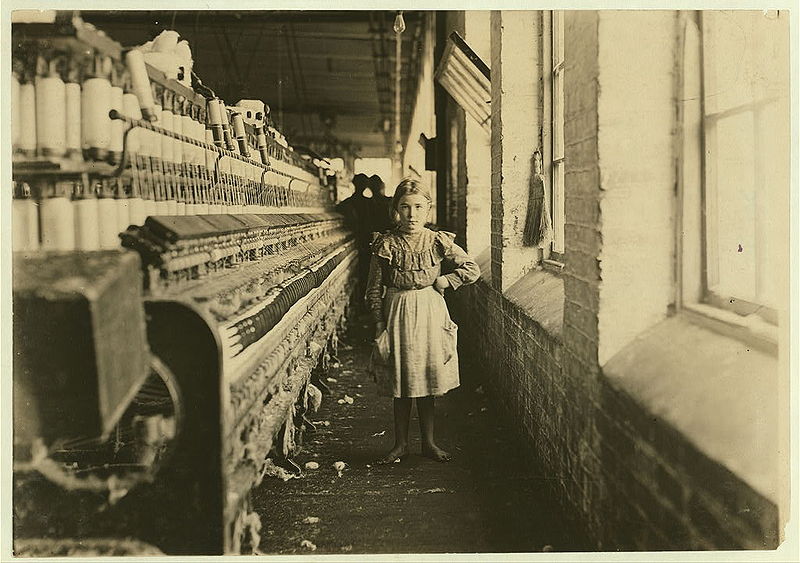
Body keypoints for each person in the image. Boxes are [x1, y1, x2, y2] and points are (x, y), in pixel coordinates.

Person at [365, 178, 480, 464]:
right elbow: (373, 289)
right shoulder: (386, 243)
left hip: (430, 308)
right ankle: (400, 444)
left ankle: (429, 443)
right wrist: (380, 325)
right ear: (395, 210)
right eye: (405, 207)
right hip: (398, 310)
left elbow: (472, 268)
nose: (412, 214)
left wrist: (447, 280)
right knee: (402, 379)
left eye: (418, 207)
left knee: (427, 377)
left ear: (427, 209)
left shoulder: (438, 241)